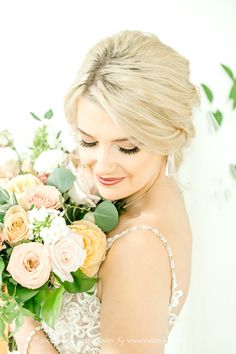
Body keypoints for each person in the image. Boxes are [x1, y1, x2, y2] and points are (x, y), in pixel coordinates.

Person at [14, 29, 200, 354]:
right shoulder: (151, 192)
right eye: (88, 141)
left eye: (126, 147)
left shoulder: (139, 248)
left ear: (168, 135)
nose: (101, 167)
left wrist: (21, 325)